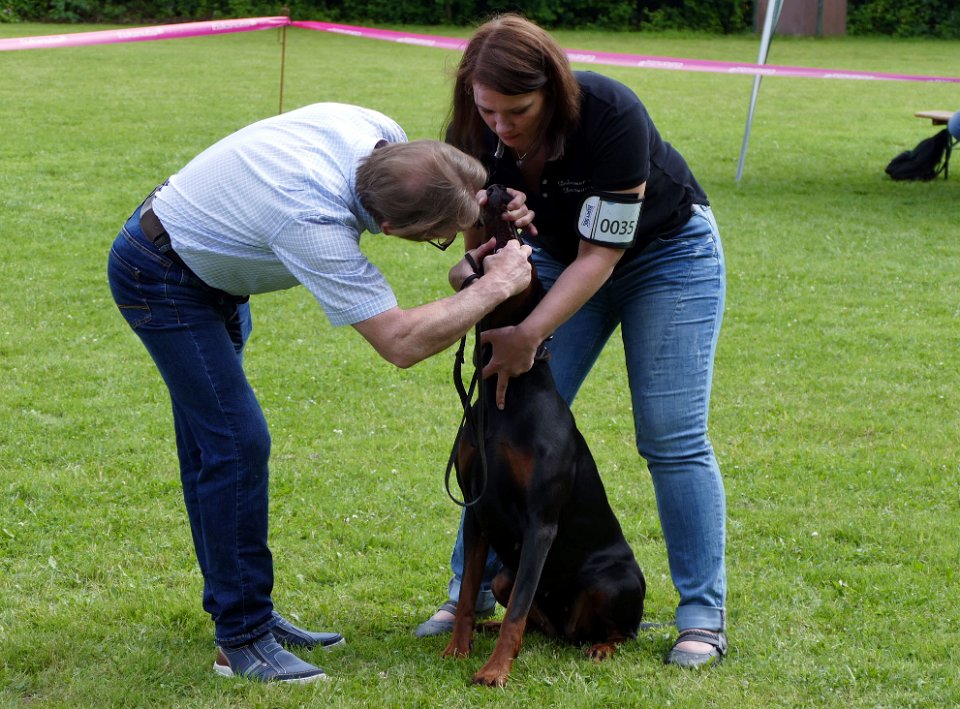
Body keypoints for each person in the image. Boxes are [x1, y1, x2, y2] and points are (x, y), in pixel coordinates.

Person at [107, 102, 534, 684]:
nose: (448, 240)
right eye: (439, 239)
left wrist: (491, 207)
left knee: (216, 447)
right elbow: (400, 342)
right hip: (162, 277)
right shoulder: (311, 219)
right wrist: (495, 287)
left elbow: (450, 191)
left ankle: (245, 613)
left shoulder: (377, 132)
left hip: (206, 261)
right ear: (390, 230)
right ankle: (242, 639)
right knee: (234, 444)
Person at [414, 15, 729, 669]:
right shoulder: (474, 127)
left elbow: (601, 256)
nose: (501, 126)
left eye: (518, 111)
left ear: (552, 90)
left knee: (670, 435)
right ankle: (467, 594)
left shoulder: (610, 112)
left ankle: (701, 617)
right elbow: (481, 240)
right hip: (558, 256)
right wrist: (486, 269)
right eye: (488, 110)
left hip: (666, 256)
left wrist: (531, 333)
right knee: (502, 416)